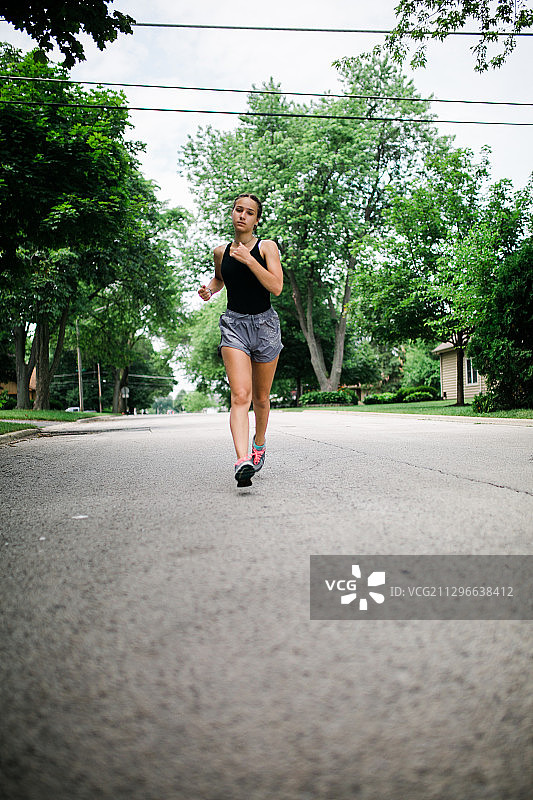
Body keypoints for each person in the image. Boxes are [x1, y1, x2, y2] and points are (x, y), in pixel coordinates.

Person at [198, 193, 283, 487]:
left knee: (260, 398)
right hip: (234, 325)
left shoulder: (267, 247)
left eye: (249, 212)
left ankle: (259, 445)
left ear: (256, 220)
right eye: (238, 210)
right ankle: (242, 459)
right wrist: (211, 289)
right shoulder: (221, 252)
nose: (242, 215)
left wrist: (249, 260)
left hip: (265, 326)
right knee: (240, 396)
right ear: (232, 213)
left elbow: (276, 286)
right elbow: (221, 278)